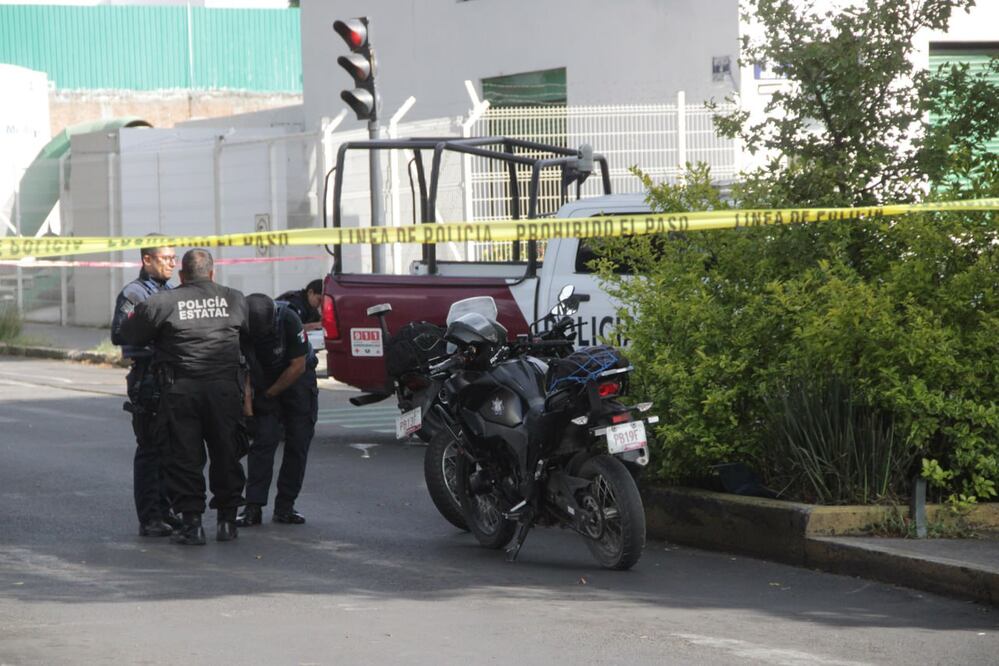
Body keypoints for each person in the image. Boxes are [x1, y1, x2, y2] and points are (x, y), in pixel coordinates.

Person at [120, 249, 249, 546]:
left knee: (185, 458)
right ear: (213, 274)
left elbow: (129, 333)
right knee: (226, 453)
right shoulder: (234, 298)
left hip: (181, 391)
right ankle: (227, 522)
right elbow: (250, 334)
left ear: (181, 275)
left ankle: (192, 525)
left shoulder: (164, 301)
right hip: (224, 390)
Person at [110, 239, 179, 538]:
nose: (172, 264)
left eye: (174, 259)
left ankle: (165, 511)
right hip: (148, 378)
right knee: (150, 449)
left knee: (170, 450)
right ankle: (150, 517)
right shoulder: (135, 293)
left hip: (171, 379)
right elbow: (118, 334)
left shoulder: (168, 292)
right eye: (165, 259)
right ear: (147, 260)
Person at [237, 294, 318, 527]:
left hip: (298, 381)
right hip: (264, 380)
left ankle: (285, 507)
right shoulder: (241, 326)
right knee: (262, 442)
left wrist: (270, 395)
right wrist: (249, 410)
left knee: (297, 443)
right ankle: (253, 508)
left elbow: (298, 366)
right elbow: (244, 371)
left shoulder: (289, 319)